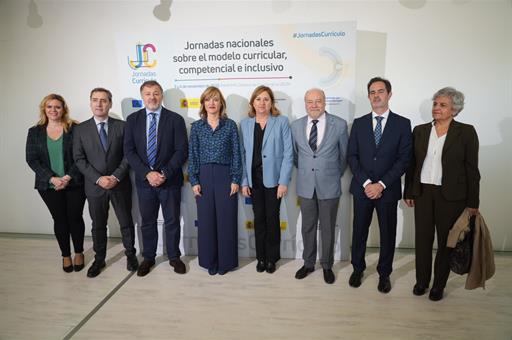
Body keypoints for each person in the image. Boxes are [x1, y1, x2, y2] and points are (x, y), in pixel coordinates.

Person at [404, 87, 480, 301]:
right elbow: (412, 165)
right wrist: (409, 190)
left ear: (454, 110)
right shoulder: (419, 130)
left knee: (447, 242)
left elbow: (472, 169)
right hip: (423, 193)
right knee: (423, 240)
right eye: (435, 104)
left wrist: (473, 202)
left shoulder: (466, 132)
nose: (437, 108)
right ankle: (421, 281)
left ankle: (438, 285)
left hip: (452, 196)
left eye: (442, 105)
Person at [347, 77, 412, 293]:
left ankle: (385, 274)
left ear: (389, 94)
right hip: (362, 189)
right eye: (372, 92)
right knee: (359, 233)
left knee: (387, 233)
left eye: (381, 91)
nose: (376, 95)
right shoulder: (359, 123)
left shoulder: (403, 124)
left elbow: (404, 159)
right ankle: (358, 269)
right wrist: (367, 183)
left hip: (387, 190)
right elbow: (352, 156)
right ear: (368, 96)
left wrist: (381, 184)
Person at [124, 80, 188, 277]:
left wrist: (164, 173)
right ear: (142, 96)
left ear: (162, 96)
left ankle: (174, 257)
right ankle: (149, 257)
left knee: (172, 221)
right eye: (148, 94)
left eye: (156, 93)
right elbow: (129, 151)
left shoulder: (175, 119)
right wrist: (147, 173)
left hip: (170, 181)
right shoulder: (132, 120)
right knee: (148, 222)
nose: (152, 97)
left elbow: (181, 151)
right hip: (145, 183)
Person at [73, 87, 138, 278]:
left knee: (126, 222)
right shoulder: (80, 129)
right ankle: (99, 259)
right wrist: (99, 178)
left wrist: (115, 177)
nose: (99, 104)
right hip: (95, 186)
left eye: (103, 100)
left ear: (110, 103)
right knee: (98, 225)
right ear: (90, 103)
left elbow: (128, 155)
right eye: (95, 100)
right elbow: (79, 159)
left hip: (120, 184)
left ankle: (130, 255)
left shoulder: (123, 126)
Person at [291, 88, 348, 284]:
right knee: (307, 227)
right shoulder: (296, 126)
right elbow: (297, 156)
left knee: (328, 228)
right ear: (305, 104)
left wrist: (331, 174)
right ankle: (308, 263)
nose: (314, 105)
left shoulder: (339, 125)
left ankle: (327, 265)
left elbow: (344, 156)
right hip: (306, 185)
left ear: (325, 102)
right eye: (310, 102)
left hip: (329, 185)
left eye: (318, 101)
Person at [26, 94, 86, 273]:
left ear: (64, 109)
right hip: (48, 186)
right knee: (59, 220)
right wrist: (52, 178)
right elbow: (31, 159)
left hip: (74, 183)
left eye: (57, 107)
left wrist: (67, 177)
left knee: (75, 218)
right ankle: (65, 255)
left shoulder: (75, 129)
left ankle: (79, 252)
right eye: (49, 107)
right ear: (44, 109)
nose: (53, 110)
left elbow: (81, 156)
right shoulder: (34, 132)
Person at [188, 86, 242, 275]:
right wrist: (194, 181)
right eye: (208, 99)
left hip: (225, 176)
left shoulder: (230, 125)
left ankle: (226, 263)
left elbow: (236, 153)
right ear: (203, 103)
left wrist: (236, 178)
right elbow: (192, 155)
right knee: (206, 221)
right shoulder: (196, 127)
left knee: (226, 221)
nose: (212, 103)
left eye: (216, 99)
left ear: (221, 104)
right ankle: (210, 262)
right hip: (203, 176)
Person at [240, 85, 293, 274]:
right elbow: (242, 154)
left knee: (272, 220)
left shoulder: (281, 122)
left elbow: (288, 153)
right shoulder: (245, 124)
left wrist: (284, 181)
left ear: (271, 103)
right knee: (259, 220)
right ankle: (260, 258)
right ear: (252, 103)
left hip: (274, 181)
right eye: (258, 99)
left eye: (266, 99)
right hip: (254, 181)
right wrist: (244, 181)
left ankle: (271, 258)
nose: (262, 103)